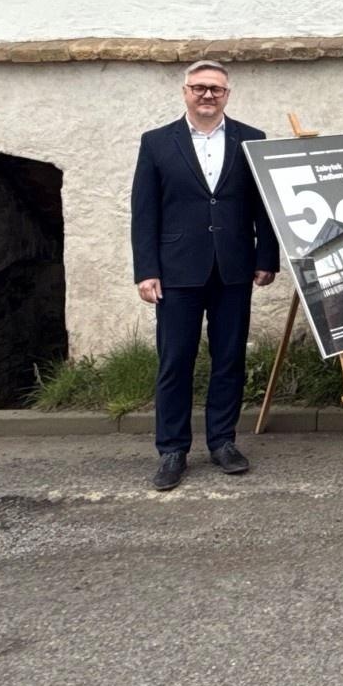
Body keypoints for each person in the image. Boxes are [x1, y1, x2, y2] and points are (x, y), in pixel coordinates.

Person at [131, 60, 279, 491]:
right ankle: (172, 450)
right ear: (185, 92)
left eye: (216, 88)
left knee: (229, 358)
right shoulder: (157, 142)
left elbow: (264, 205)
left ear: (227, 94)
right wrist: (147, 270)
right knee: (175, 360)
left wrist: (266, 257)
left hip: (234, 267)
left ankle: (222, 442)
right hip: (176, 271)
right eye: (199, 87)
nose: (207, 95)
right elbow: (144, 211)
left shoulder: (251, 139)